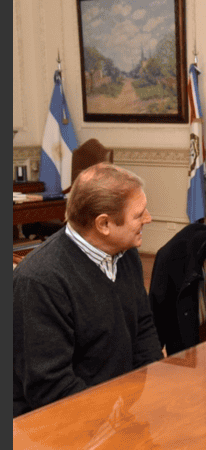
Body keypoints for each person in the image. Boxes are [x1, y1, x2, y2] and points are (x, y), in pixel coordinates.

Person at [13, 163, 163, 417]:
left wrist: (149, 390)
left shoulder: (125, 254)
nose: (148, 218)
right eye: (138, 215)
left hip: (119, 409)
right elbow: (50, 386)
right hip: (62, 421)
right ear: (103, 224)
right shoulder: (40, 282)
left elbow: (143, 328)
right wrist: (111, 417)